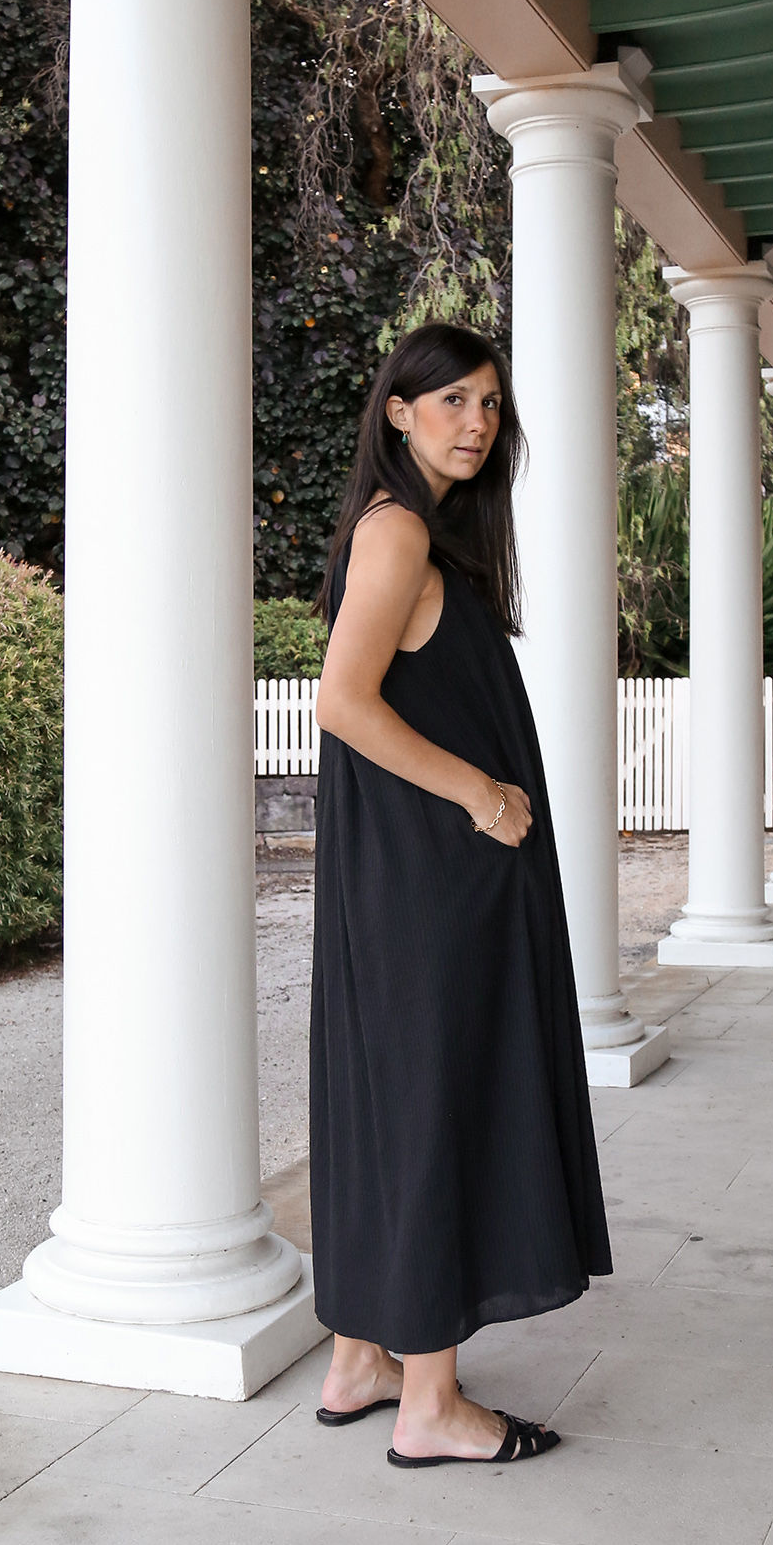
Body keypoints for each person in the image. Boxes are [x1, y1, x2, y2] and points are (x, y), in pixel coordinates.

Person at [308, 321, 613, 1467]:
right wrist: (482, 794)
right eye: (452, 402)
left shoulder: (412, 534)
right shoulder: (397, 536)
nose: (477, 423)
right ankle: (431, 1407)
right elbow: (343, 702)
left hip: (413, 877)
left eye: (491, 405)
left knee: (395, 1100)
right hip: (432, 880)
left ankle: (359, 1359)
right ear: (397, 411)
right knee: (439, 1105)